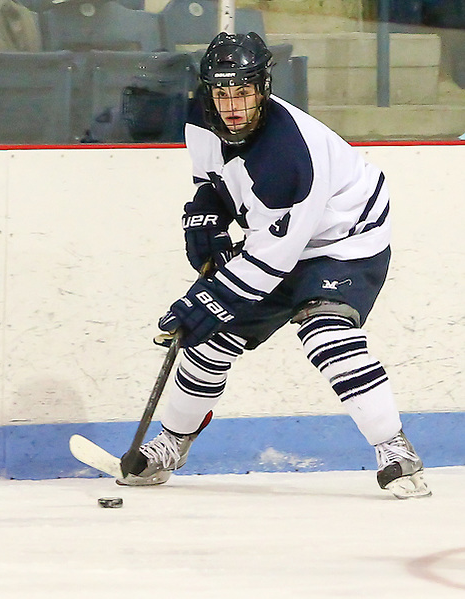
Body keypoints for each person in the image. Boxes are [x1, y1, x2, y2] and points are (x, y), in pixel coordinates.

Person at [118, 31, 431, 499]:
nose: (233, 105)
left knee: (325, 333)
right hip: (281, 239)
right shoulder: (201, 120)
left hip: (344, 241)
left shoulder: (287, 155)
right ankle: (171, 444)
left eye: (243, 91)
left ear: (263, 87)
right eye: (222, 92)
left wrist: (203, 301)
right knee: (206, 342)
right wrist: (206, 215)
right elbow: (212, 180)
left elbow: (268, 261)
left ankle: (395, 449)